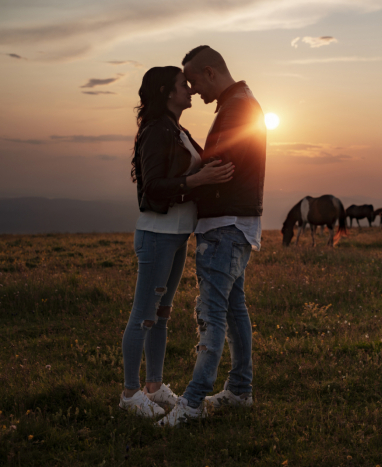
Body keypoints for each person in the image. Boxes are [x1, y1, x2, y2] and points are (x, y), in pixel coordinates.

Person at [155, 46, 266, 427]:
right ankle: (239, 391)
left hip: (224, 225)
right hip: (235, 223)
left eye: (194, 80)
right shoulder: (240, 102)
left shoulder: (236, 109)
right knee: (234, 309)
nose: (193, 89)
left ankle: (192, 403)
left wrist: (180, 186)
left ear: (210, 72)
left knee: (210, 315)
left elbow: (219, 167)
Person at [121, 66, 234, 417]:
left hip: (176, 234)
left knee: (161, 315)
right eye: (183, 85)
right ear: (166, 92)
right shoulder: (157, 131)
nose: (189, 89)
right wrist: (196, 181)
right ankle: (129, 395)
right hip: (157, 234)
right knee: (143, 315)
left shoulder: (176, 129)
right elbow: (152, 186)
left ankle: (153, 388)